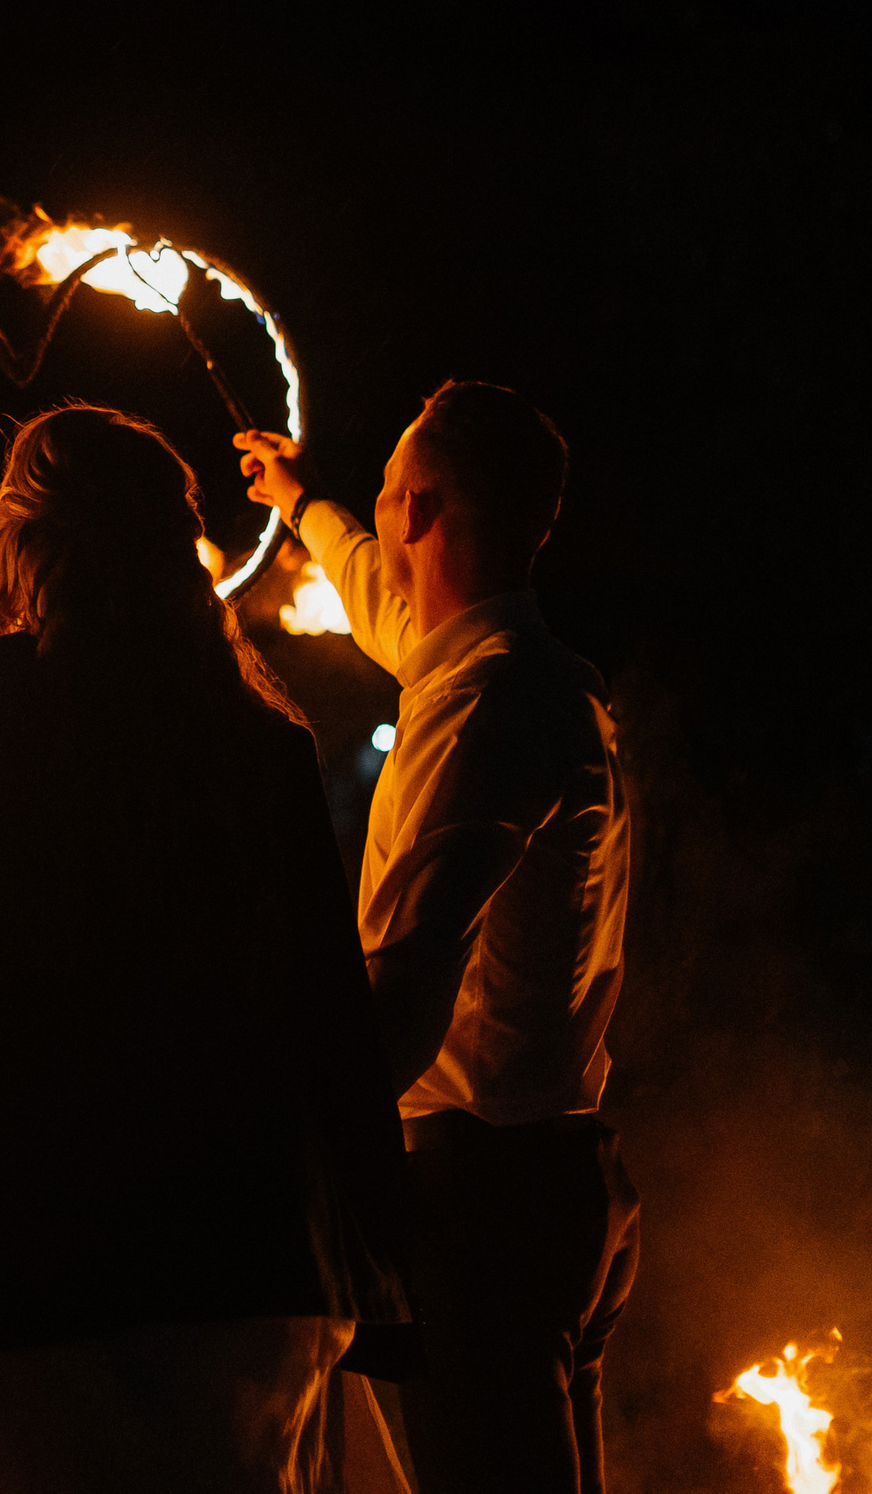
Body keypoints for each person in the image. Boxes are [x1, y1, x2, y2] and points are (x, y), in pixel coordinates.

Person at [0, 405, 415, 1494]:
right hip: (245, 1263)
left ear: (21, 540)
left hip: (23, 1261)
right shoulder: (257, 740)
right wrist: (383, 1271)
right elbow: (327, 1020)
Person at [236, 382, 638, 1494]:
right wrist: (306, 501)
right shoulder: (506, 671)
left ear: (417, 511)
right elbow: (381, 598)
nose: (379, 530)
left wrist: (282, 1145)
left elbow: (406, 985)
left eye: (383, 500)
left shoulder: (493, 707)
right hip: (549, 1180)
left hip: (487, 1205)